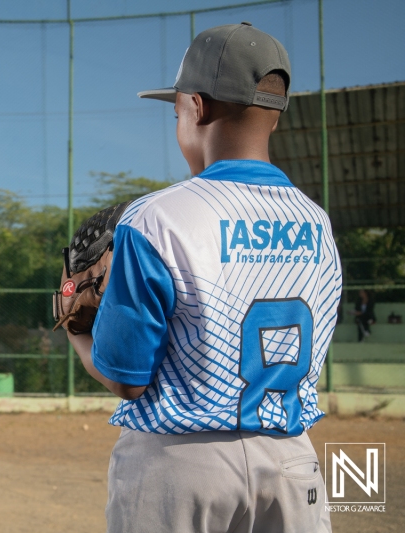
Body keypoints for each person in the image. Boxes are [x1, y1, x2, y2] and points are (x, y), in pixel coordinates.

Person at [67, 23, 341, 532]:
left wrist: (77, 331)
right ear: (274, 119)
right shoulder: (316, 221)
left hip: (182, 469)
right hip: (291, 461)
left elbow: (126, 380)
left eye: (176, 110)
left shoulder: (156, 217)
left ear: (197, 106)